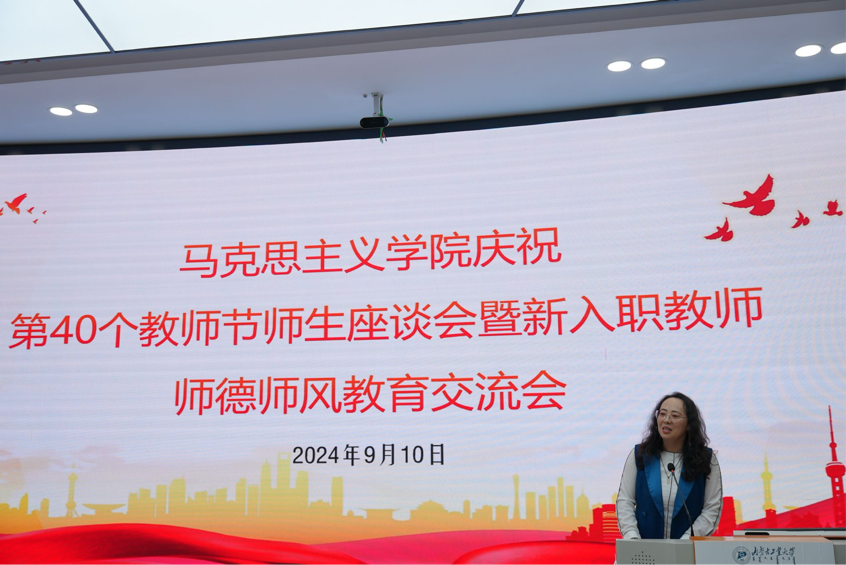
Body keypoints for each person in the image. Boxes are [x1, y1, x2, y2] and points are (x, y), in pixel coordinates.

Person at [616, 392, 722, 539]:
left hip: (687, 548)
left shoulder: (706, 459)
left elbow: (712, 508)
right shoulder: (640, 455)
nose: (666, 420)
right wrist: (632, 537)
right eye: (662, 414)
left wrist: (687, 540)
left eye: (675, 416)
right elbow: (625, 501)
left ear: (689, 424)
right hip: (643, 548)